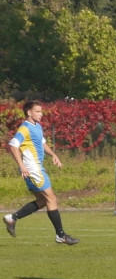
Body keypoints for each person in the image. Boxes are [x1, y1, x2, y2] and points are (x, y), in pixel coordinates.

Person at [5, 99, 79, 245]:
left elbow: (42, 143)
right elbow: (13, 146)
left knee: (42, 201)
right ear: (29, 113)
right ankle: (61, 235)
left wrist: (53, 155)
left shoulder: (37, 126)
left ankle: (12, 218)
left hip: (36, 167)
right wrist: (22, 166)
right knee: (51, 199)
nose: (41, 114)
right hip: (33, 168)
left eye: (41, 111)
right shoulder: (25, 128)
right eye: (38, 111)